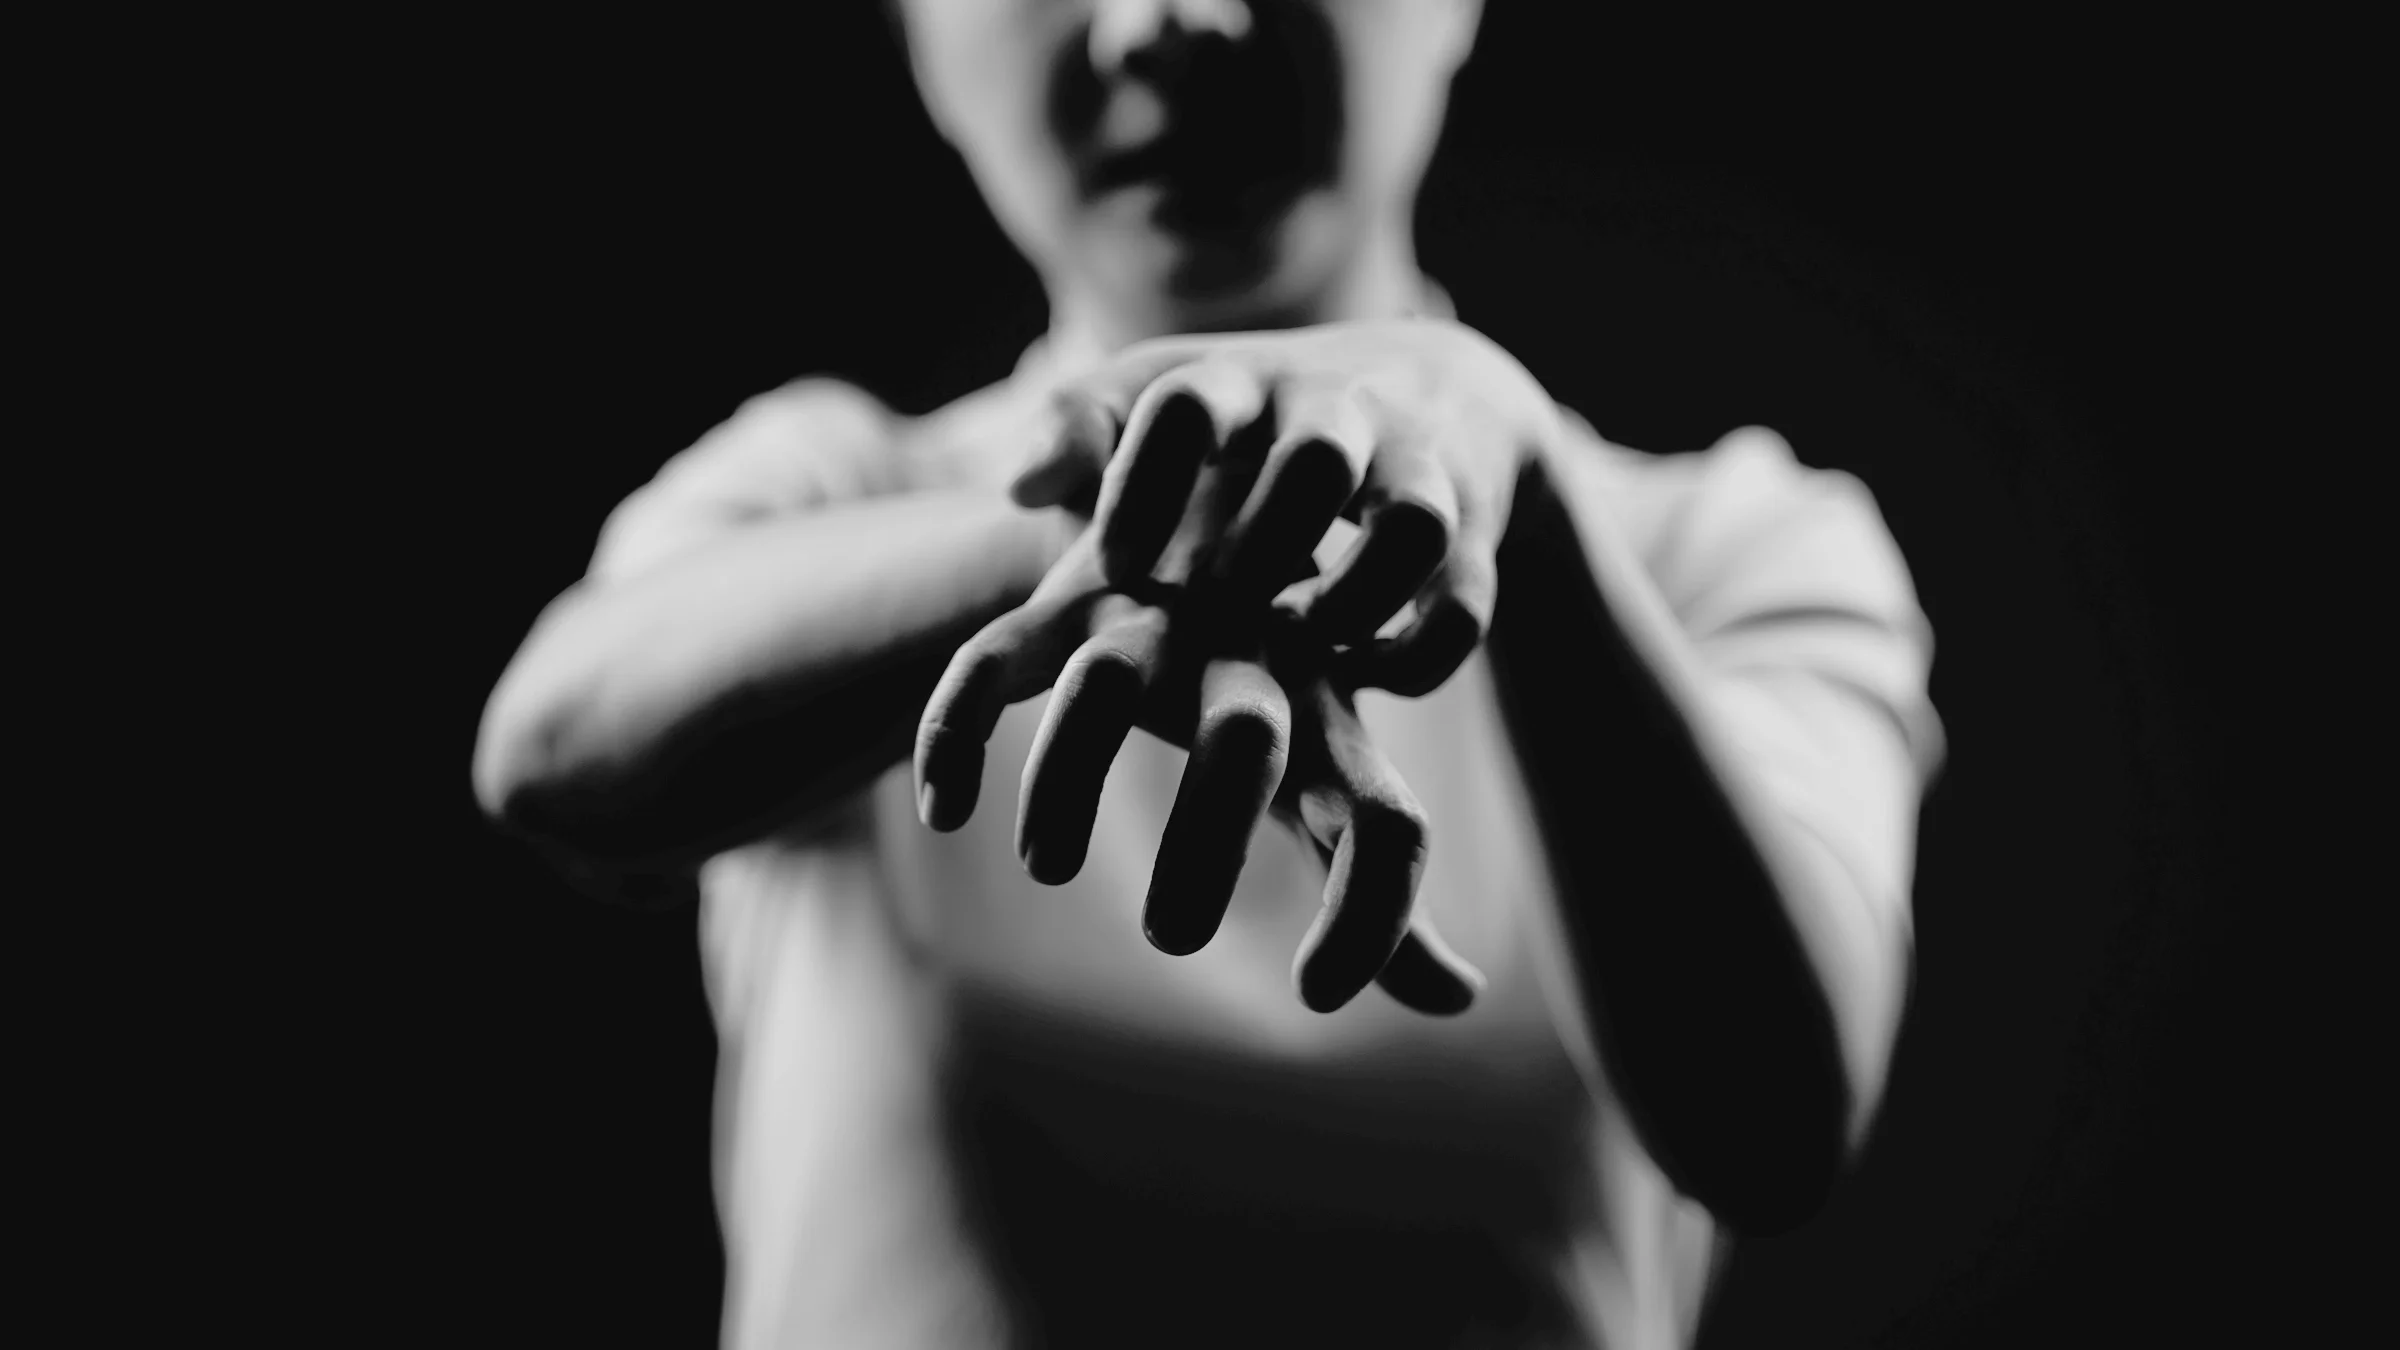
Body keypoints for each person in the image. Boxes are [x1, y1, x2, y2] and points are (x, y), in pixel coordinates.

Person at [472, 1, 1947, 1345]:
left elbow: (1771, 1124)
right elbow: (558, 750)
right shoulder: (832, 489)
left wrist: (1526, 501)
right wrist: (1127, 532)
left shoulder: (1720, 548)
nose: (1171, 24)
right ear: (921, 40)